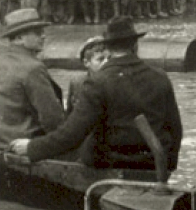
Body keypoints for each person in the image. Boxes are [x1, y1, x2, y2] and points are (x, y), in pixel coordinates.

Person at [9, 16, 184, 174]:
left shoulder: (98, 82)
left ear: (108, 47)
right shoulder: (160, 76)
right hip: (152, 163)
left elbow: (71, 134)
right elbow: (175, 129)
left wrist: (32, 148)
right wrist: (168, 166)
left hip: (111, 163)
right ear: (135, 45)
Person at [0, 8, 65, 154]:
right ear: (19, 39)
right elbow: (52, 120)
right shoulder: (32, 68)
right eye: (37, 33)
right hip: (26, 147)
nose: (44, 36)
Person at [66, 35, 108, 114]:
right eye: (100, 59)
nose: (106, 63)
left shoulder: (114, 82)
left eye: (109, 59)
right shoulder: (77, 83)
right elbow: (70, 113)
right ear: (86, 62)